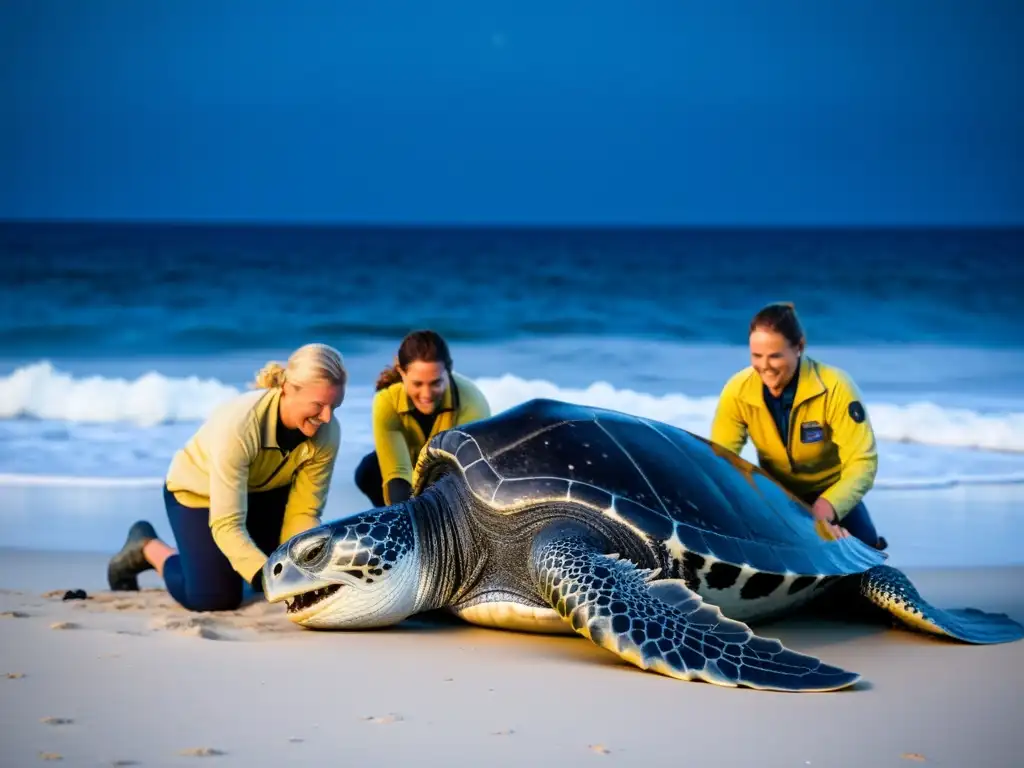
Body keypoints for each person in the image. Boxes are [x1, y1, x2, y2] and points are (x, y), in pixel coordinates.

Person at [105, 342, 348, 612]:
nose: (327, 417)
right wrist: (266, 577)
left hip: (262, 493)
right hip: (198, 494)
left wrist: (301, 567)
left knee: (279, 565)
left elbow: (303, 513)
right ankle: (147, 547)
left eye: (334, 406)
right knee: (215, 598)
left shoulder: (328, 433)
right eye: (318, 405)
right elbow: (227, 524)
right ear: (288, 389)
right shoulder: (241, 424)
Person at [710, 302, 887, 550]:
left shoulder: (835, 386)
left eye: (775, 356)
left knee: (865, 551)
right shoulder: (737, 390)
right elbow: (719, 460)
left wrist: (827, 508)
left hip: (830, 493)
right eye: (756, 356)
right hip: (775, 495)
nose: (765, 366)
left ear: (799, 347)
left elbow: (862, 463)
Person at [354, 329, 491, 508]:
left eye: (436, 383)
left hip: (454, 474)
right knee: (368, 470)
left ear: (448, 372)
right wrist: (404, 516)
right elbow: (397, 472)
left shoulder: (473, 403)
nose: (426, 394)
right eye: (417, 383)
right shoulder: (386, 401)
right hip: (410, 468)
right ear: (402, 374)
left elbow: (465, 475)